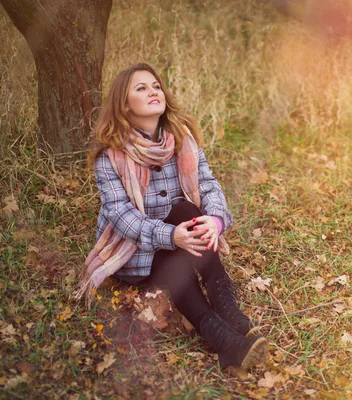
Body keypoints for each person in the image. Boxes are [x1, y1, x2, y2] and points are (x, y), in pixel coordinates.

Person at [77, 62, 268, 371]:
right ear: (124, 105)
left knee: (189, 212)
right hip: (136, 252)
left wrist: (216, 221)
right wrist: (171, 236)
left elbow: (207, 185)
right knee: (173, 241)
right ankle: (222, 333)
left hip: (181, 234)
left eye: (156, 86)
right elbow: (121, 216)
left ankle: (227, 318)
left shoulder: (182, 138)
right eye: (141, 88)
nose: (154, 91)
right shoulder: (110, 155)